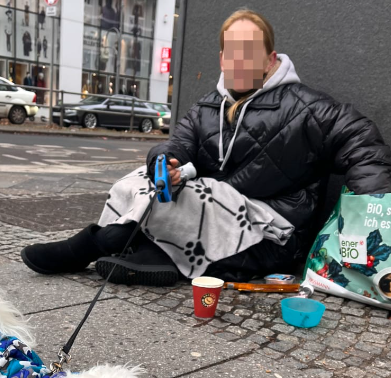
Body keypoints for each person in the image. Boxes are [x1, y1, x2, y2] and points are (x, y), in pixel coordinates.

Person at [21, 9, 391, 286]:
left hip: (271, 232)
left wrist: (368, 218)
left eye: (249, 51)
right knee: (144, 177)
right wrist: (166, 163)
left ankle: (98, 244)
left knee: (208, 192)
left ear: (270, 59)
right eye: (232, 52)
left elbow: (364, 144)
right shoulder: (206, 106)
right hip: (210, 219)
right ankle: (154, 253)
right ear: (221, 59)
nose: (239, 61)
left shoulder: (307, 106)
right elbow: (176, 145)